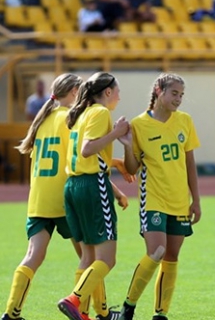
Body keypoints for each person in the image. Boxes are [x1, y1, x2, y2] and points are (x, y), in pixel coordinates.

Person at [1, 74, 131, 320]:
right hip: (64, 196)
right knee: (89, 255)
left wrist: (113, 162)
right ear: (74, 91)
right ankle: (99, 311)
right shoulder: (69, 118)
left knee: (33, 256)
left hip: (39, 198)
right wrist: (115, 190)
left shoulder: (41, 120)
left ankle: (11, 312)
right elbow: (80, 158)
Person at [118, 73, 201, 320]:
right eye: (174, 93)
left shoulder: (184, 121)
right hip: (153, 200)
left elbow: (189, 163)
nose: (179, 99)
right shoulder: (139, 124)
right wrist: (126, 145)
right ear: (159, 91)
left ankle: (160, 313)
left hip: (179, 200)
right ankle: (128, 307)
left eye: (181, 95)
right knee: (157, 251)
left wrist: (195, 199)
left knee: (172, 256)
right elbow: (131, 169)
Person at [57, 72, 130, 320]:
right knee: (107, 259)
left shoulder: (80, 114)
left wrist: (116, 190)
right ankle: (74, 300)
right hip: (91, 186)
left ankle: (84, 314)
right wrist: (117, 133)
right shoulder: (99, 112)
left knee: (87, 257)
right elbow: (89, 150)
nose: (120, 95)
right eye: (117, 90)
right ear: (108, 91)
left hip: (73, 186)